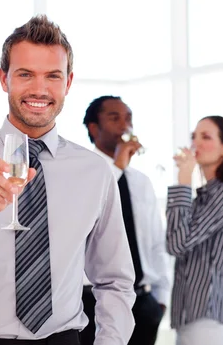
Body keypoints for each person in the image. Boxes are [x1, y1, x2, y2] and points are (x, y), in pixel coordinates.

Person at [0, 15, 136, 345]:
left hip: (61, 339)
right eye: (25, 74)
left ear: (68, 82)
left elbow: (114, 277)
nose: (39, 89)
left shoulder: (94, 171)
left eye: (52, 76)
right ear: (4, 79)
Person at [81, 96, 171, 345]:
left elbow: (155, 242)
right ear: (93, 128)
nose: (125, 125)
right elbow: (85, 221)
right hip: (92, 303)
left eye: (128, 117)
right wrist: (118, 165)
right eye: (114, 117)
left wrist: (160, 300)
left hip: (143, 304)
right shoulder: (82, 174)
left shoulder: (142, 182)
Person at [166, 116, 223, 345]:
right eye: (193, 136)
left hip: (209, 323)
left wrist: (183, 181)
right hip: (190, 322)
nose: (196, 143)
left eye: (205, 136)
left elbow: (176, 243)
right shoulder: (201, 199)